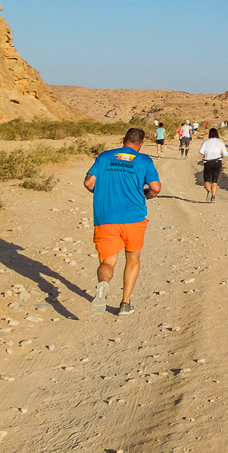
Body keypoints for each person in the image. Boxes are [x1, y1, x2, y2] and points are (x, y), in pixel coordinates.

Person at [83, 127, 160, 317]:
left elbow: (89, 183)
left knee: (108, 262)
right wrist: (147, 195)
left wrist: (101, 192)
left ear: (123, 139)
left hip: (106, 218)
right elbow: (156, 188)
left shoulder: (104, 156)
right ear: (141, 144)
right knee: (132, 258)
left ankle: (103, 285)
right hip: (133, 218)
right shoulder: (144, 160)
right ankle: (125, 303)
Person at [199, 127, 228, 203]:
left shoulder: (206, 142)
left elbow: (201, 151)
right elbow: (225, 154)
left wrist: (206, 155)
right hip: (217, 161)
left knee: (206, 180)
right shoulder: (220, 143)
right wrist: (220, 156)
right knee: (214, 180)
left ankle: (208, 191)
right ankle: (213, 196)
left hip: (208, 162)